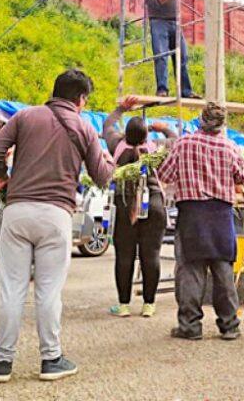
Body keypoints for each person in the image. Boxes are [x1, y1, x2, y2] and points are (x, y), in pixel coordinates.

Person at [0, 69, 115, 384]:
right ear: (81, 99)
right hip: (56, 214)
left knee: (11, 289)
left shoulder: (25, 117)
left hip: (17, 211)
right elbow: (102, 177)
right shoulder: (84, 128)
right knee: (48, 291)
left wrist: (4, 175)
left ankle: (3, 362)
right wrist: (110, 161)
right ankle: (51, 359)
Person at [157, 102, 244, 341]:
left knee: (191, 270)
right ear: (221, 125)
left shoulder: (183, 144)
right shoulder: (230, 147)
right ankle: (229, 326)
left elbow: (164, 175)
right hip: (221, 215)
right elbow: (243, 176)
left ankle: (190, 326)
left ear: (200, 120)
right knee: (223, 270)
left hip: (192, 213)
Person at [101, 95, 177, 319]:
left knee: (124, 256)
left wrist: (120, 109)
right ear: (146, 135)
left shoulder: (116, 144)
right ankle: (149, 305)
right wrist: (162, 127)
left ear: (127, 133)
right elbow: (175, 138)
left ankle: (124, 305)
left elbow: (107, 125)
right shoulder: (156, 147)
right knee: (151, 255)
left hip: (124, 203)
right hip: (152, 202)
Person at [141, 0, 203, 98]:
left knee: (182, 56)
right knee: (161, 55)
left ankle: (186, 91)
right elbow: (154, 1)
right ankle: (162, 89)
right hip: (158, 22)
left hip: (174, 21)